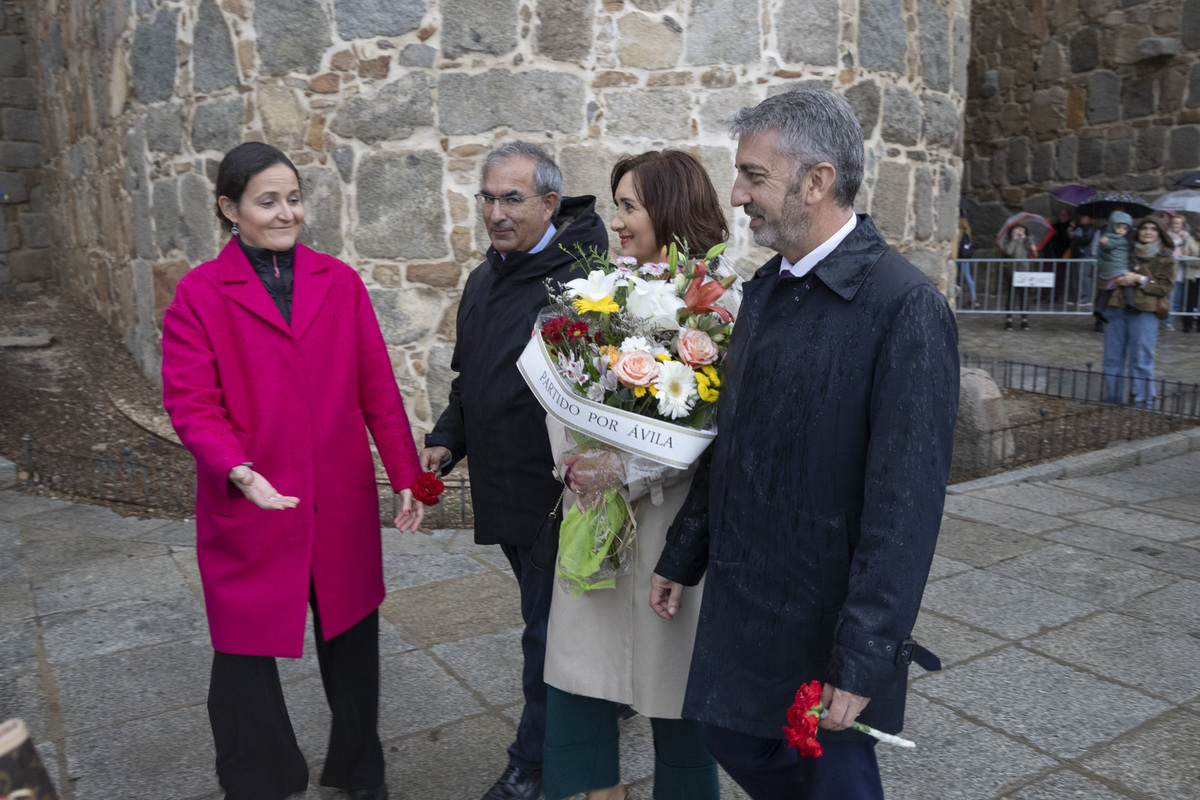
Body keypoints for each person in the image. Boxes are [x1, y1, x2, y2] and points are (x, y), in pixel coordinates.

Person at [650, 88, 958, 800]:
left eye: (753, 176)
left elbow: (904, 508)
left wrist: (867, 656)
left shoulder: (905, 307)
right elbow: (731, 444)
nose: (736, 194)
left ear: (817, 181)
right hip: (748, 599)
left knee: (838, 782)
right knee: (728, 732)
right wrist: (683, 552)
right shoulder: (764, 292)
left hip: (827, 620)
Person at [161, 142, 428, 800]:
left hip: (337, 499)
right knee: (244, 654)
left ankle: (362, 772)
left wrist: (405, 477)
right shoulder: (198, 296)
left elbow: (377, 388)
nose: (287, 213)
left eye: (295, 198)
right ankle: (259, 780)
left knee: (354, 647)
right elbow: (191, 404)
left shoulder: (339, 282)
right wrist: (240, 472)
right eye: (268, 201)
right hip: (251, 504)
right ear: (230, 208)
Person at [541, 150, 735, 800]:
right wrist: (574, 462)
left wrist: (623, 462)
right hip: (594, 524)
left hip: (669, 535)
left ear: (671, 211)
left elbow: (712, 426)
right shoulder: (594, 295)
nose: (616, 221)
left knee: (678, 703)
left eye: (629, 206)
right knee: (576, 693)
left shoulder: (716, 308)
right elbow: (562, 390)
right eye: (616, 204)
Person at [419, 141, 609, 800]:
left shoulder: (582, 283)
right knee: (551, 624)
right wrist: (446, 442)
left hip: (558, 497)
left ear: (550, 203)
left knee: (545, 634)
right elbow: (474, 381)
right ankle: (594, 704)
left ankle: (534, 763)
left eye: (513, 199)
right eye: (489, 198)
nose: (496, 213)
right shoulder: (485, 277)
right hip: (502, 495)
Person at [1101, 214, 1176, 408]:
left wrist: (1138, 279)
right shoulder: (1123, 250)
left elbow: (1164, 287)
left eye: (1153, 229)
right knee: (1112, 357)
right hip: (1116, 307)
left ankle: (1144, 402)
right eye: (1144, 228)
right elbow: (1103, 273)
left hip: (1145, 312)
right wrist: (1114, 279)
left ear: (1160, 233)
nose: (1148, 232)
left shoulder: (1165, 258)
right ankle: (1113, 399)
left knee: (1141, 359)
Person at [1093, 211, 1135, 321]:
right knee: (1128, 282)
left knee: (1107, 291)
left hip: (1106, 269)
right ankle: (1130, 304)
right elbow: (1110, 245)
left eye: (1125, 228)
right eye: (1119, 227)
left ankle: (1099, 310)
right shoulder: (1118, 240)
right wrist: (1106, 243)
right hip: (1116, 268)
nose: (1122, 230)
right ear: (1112, 226)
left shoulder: (1107, 235)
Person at [1001, 223, 1037, 330]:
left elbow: (1033, 253)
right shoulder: (1008, 240)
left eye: (1022, 228)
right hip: (1012, 270)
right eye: (1017, 229)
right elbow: (1009, 251)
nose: (1019, 231)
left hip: (1025, 270)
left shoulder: (1027, 239)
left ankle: (1024, 320)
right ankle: (1009, 320)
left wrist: (1030, 243)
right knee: (1011, 296)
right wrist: (1014, 239)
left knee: (1024, 296)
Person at [1167, 214, 1199, 331]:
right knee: (1171, 294)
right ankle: (1169, 320)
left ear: (1183, 225)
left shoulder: (1186, 236)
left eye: (1178, 223)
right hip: (1172, 267)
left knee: (1178, 296)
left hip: (1181, 270)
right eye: (1174, 223)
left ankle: (1173, 318)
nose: (1175, 225)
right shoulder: (1168, 235)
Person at [956, 211, 977, 309]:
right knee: (967, 276)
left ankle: (973, 299)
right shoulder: (966, 225)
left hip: (957, 255)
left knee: (964, 276)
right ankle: (973, 299)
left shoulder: (958, 225)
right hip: (964, 255)